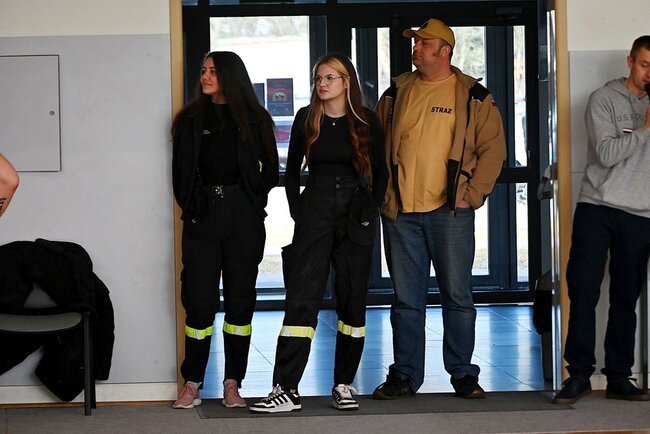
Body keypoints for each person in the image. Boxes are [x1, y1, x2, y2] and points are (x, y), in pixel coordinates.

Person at [372, 18, 506, 400]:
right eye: (415, 42)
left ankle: (463, 374)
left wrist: (471, 195)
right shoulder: (396, 92)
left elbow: (493, 150)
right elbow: (374, 145)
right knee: (405, 300)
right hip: (401, 214)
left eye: (423, 43)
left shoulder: (474, 95)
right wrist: (381, 194)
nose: (415, 47)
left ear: (444, 51)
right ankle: (404, 375)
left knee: (458, 297)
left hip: (450, 213)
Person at [250, 53, 388, 413]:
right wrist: (298, 210)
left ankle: (343, 385)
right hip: (315, 207)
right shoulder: (306, 117)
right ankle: (286, 389)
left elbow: (382, 173)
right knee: (302, 296)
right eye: (318, 78)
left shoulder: (366, 120)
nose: (322, 84)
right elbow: (292, 171)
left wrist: (370, 209)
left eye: (329, 78)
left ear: (346, 82)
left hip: (355, 213)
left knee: (352, 299)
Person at [171, 51, 279, 409]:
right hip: (202, 218)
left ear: (230, 76)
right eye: (203, 70)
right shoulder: (190, 120)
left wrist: (250, 202)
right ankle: (192, 383)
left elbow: (269, 171)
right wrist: (194, 206)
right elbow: (180, 175)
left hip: (243, 219)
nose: (205, 76)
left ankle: (233, 383)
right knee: (199, 302)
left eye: (213, 71)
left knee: (239, 302)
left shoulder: (255, 119)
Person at [553, 35, 650, 405]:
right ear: (630, 62)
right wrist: (645, 130)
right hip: (597, 207)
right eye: (645, 64)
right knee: (583, 289)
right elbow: (607, 153)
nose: (649, 73)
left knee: (626, 296)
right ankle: (578, 374)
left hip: (641, 213)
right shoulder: (603, 99)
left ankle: (619, 377)